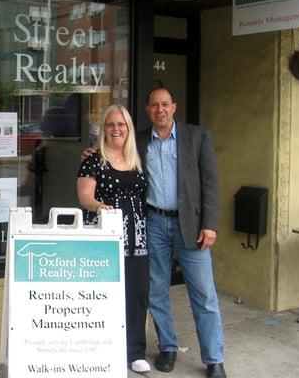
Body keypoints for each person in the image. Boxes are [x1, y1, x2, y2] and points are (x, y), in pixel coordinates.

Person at [81, 88, 227, 378]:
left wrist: (210, 224)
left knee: (204, 294)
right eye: (154, 105)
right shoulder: (140, 141)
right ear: (147, 110)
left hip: (191, 226)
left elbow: (210, 184)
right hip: (154, 224)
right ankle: (168, 347)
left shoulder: (197, 137)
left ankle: (214, 359)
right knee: (156, 291)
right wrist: (89, 151)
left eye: (165, 104)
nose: (160, 109)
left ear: (174, 107)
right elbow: (111, 152)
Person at [76, 104, 151, 374]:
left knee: (137, 292)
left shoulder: (138, 157)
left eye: (121, 124)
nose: (116, 129)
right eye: (110, 124)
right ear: (103, 129)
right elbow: (84, 196)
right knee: (102, 293)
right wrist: (99, 207)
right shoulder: (94, 159)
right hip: (103, 237)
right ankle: (101, 348)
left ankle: (135, 352)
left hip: (136, 239)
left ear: (128, 128)